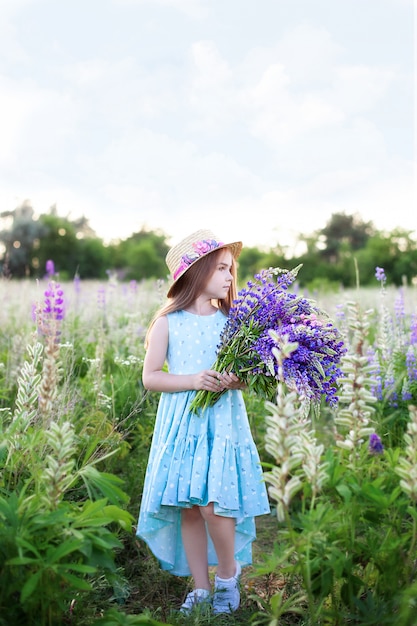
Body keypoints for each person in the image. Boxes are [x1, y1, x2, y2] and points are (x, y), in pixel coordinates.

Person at [136, 229, 270, 614]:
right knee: (189, 506)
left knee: (214, 504)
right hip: (181, 426)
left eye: (231, 269)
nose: (231, 278)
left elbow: (246, 376)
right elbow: (151, 377)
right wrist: (193, 380)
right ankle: (200, 587)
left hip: (221, 424)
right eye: (223, 268)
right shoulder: (168, 322)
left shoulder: (232, 321)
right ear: (196, 271)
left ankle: (227, 577)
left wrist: (234, 379)